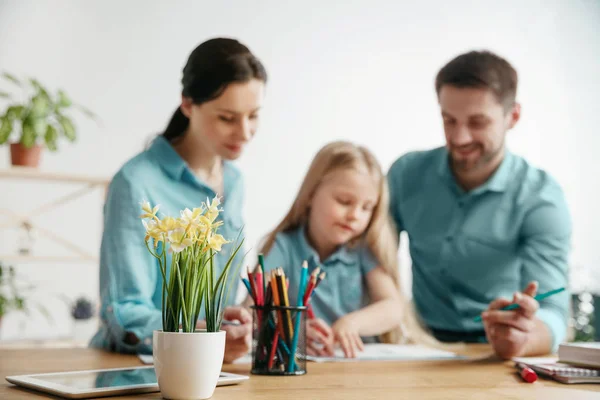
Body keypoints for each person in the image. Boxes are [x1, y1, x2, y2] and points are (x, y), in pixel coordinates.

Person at [90, 38, 267, 363]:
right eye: (227, 118)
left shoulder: (235, 182)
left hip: (208, 367)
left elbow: (214, 299)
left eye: (253, 115)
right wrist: (198, 334)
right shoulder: (135, 182)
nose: (245, 132)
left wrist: (236, 323)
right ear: (187, 104)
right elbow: (122, 313)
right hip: (134, 366)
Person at [387, 50, 571, 359]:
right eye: (449, 120)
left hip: (496, 348)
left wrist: (522, 338)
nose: (459, 137)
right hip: (416, 344)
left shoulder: (541, 198)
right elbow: (368, 259)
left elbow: (553, 312)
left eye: (477, 122)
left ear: (512, 117)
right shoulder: (406, 175)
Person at [255, 141, 424, 358]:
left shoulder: (363, 249)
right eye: (344, 201)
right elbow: (256, 309)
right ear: (310, 195)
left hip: (355, 364)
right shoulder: (284, 246)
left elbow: (393, 307)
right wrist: (290, 329)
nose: (355, 215)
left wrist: (351, 323)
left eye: (367, 208)